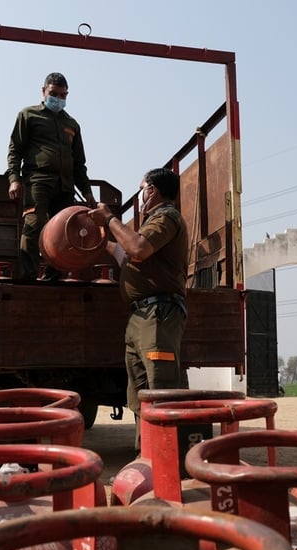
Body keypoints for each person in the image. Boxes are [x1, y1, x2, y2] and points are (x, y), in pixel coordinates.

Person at [88, 167, 188, 450]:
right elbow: (127, 254)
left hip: (157, 316)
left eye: (142, 189)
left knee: (160, 393)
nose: (142, 195)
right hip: (141, 317)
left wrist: (109, 218)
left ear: (152, 190)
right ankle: (148, 461)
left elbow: (138, 249)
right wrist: (94, 240)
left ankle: (167, 464)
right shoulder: (153, 223)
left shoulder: (166, 217)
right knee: (141, 396)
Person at [6, 72, 96, 281]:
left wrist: (87, 191)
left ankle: (53, 274)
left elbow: (79, 164)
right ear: (43, 91)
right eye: (54, 94)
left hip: (65, 185)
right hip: (37, 181)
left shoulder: (72, 124)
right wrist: (14, 179)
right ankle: (28, 276)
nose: (58, 99)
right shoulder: (28, 115)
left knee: (64, 229)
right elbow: (15, 150)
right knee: (34, 223)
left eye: (63, 95)